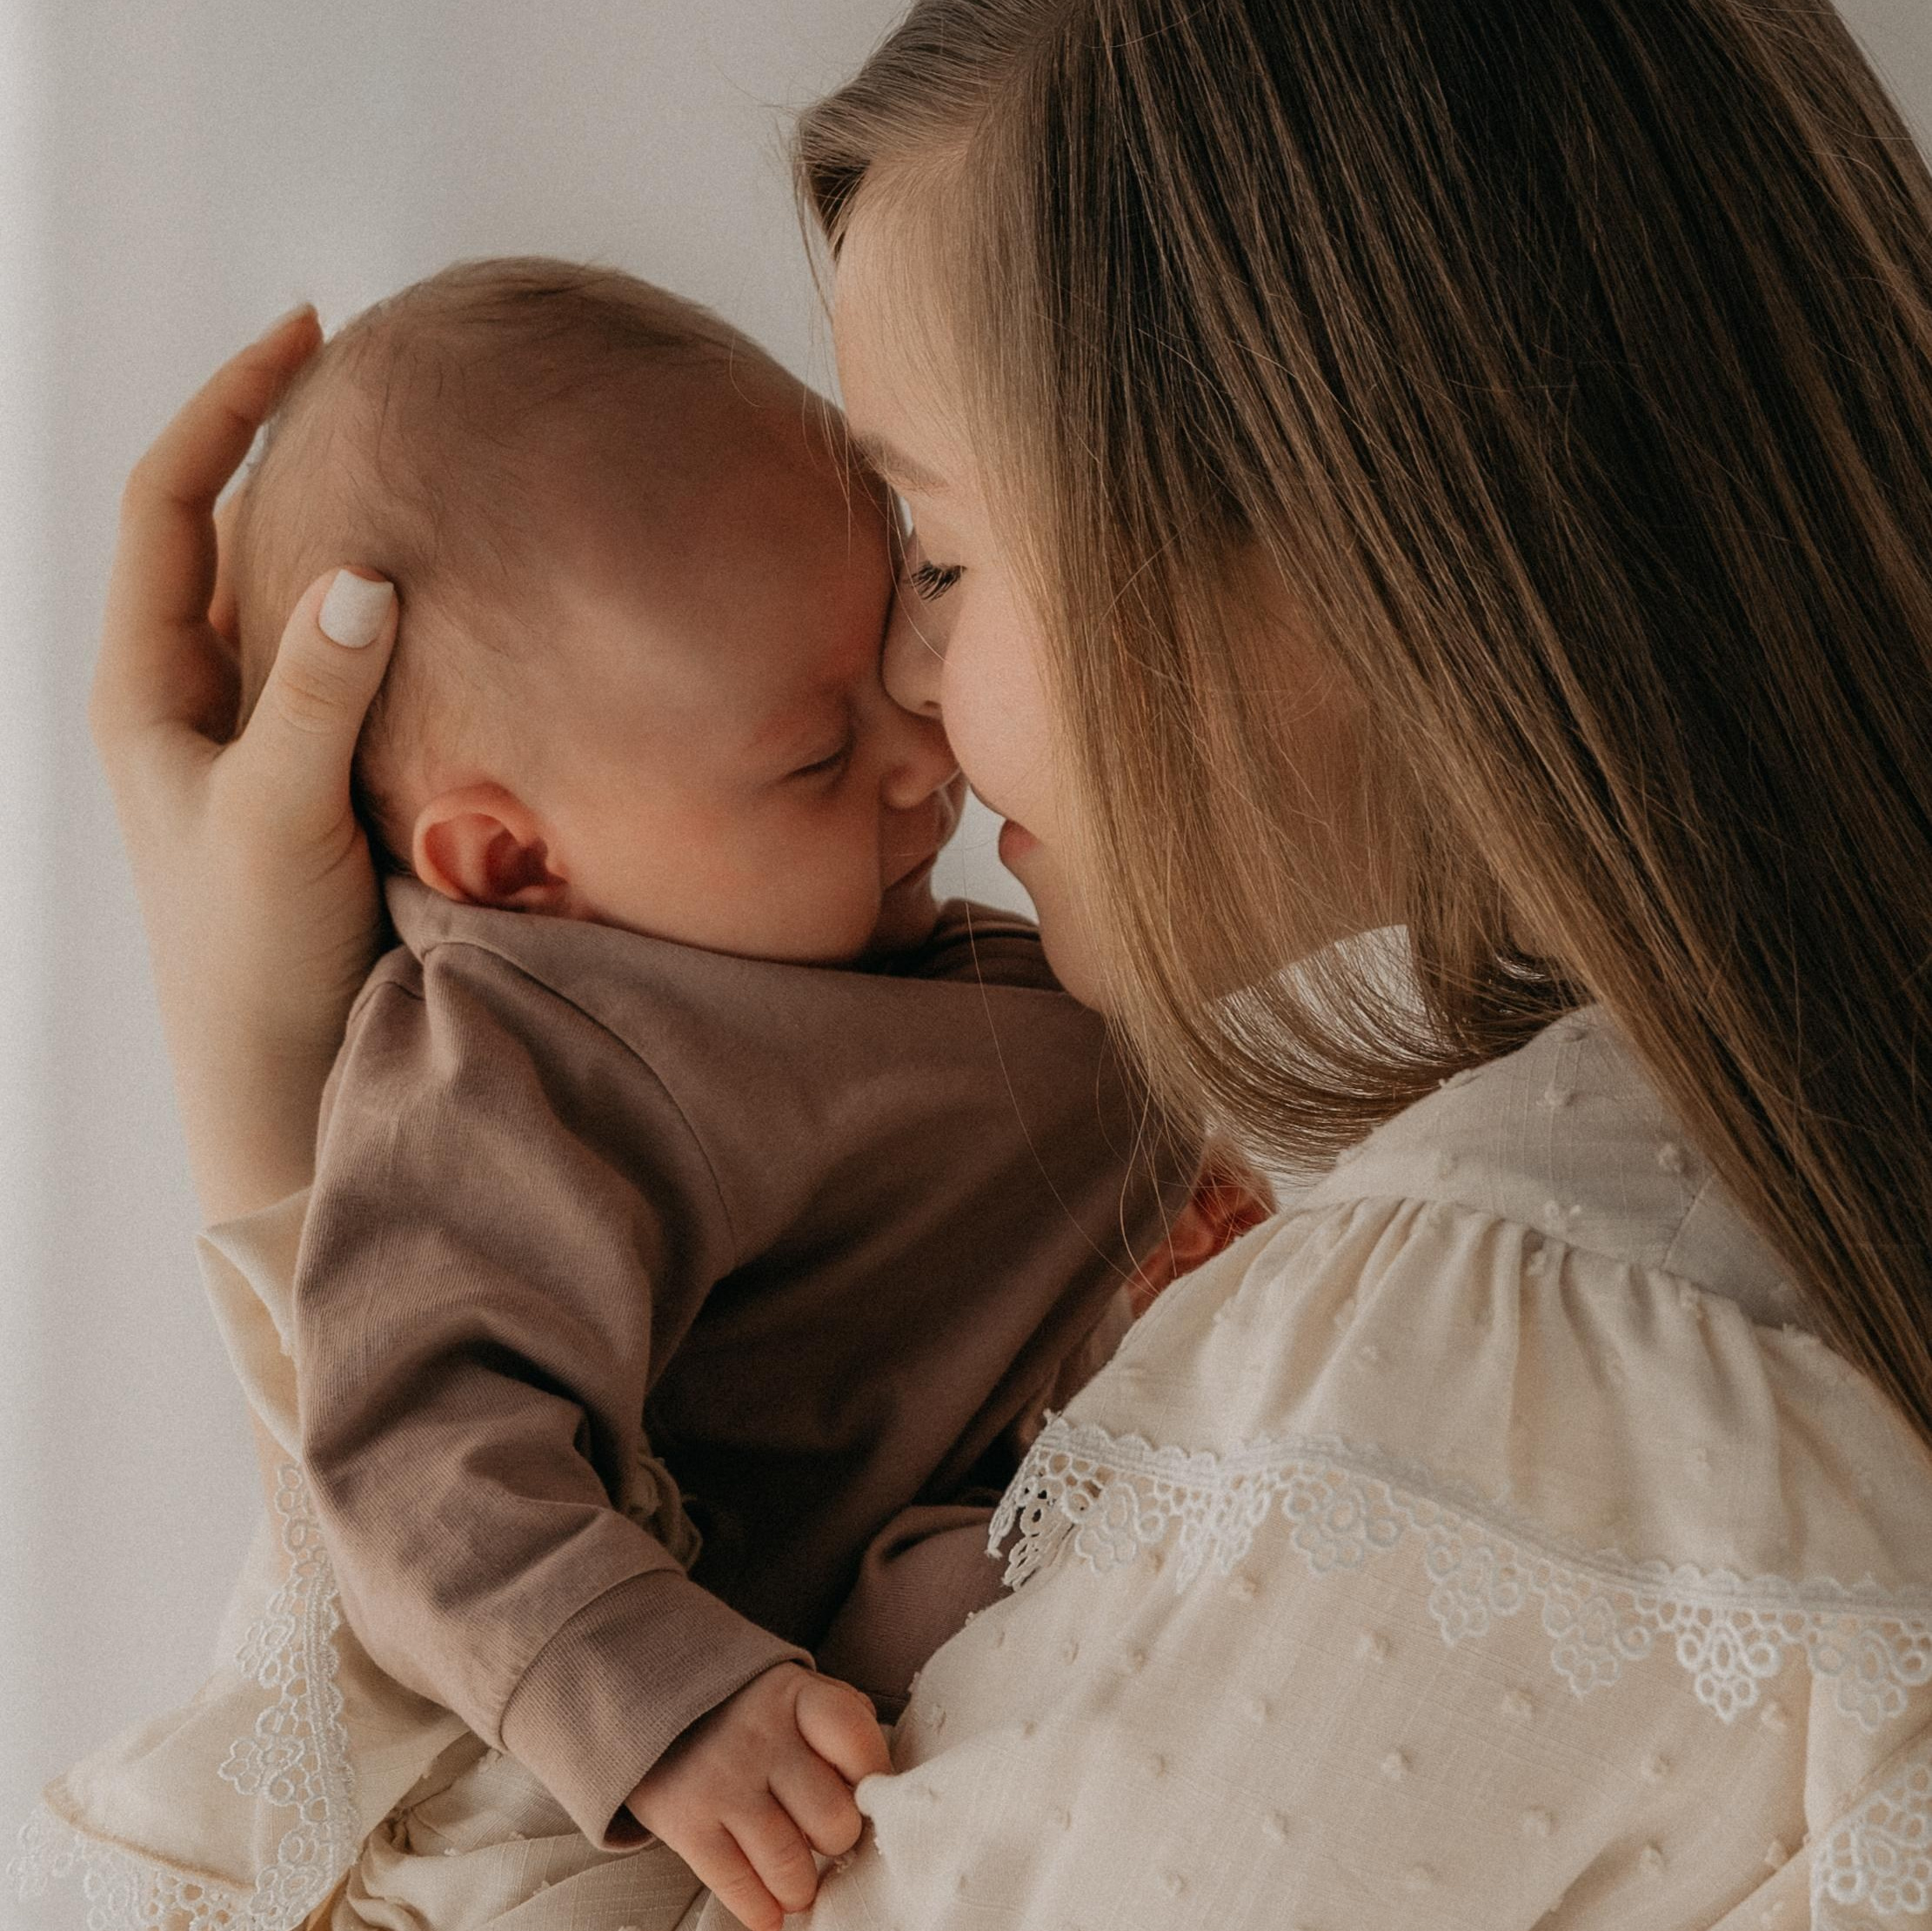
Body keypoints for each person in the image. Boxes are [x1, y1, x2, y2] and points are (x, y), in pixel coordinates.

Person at [21, 0, 1932, 1924]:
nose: (914, 702)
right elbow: (454, 1451)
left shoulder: (1491, 1401)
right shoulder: (1637, 1263)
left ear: (1351, 532)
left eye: (930, 555)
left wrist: (270, 1134)